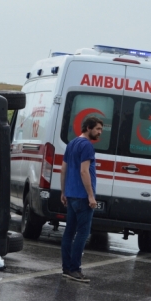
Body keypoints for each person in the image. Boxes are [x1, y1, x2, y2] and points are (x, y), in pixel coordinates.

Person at [60, 116, 103, 283]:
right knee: (82, 233)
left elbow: (63, 169)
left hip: (71, 194)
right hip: (82, 196)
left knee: (69, 231)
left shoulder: (71, 144)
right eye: (97, 129)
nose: (100, 133)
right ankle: (75, 269)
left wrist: (63, 191)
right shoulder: (86, 146)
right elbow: (84, 171)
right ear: (88, 128)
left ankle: (66, 267)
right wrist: (91, 196)